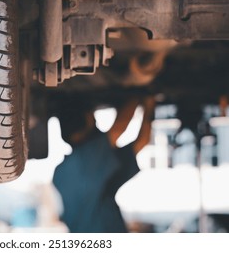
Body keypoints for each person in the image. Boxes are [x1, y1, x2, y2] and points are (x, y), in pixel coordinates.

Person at [52, 96, 155, 233]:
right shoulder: (85, 161)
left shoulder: (65, 171)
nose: (95, 121)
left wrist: (145, 102)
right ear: (86, 120)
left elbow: (140, 140)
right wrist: (138, 94)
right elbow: (119, 128)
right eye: (92, 117)